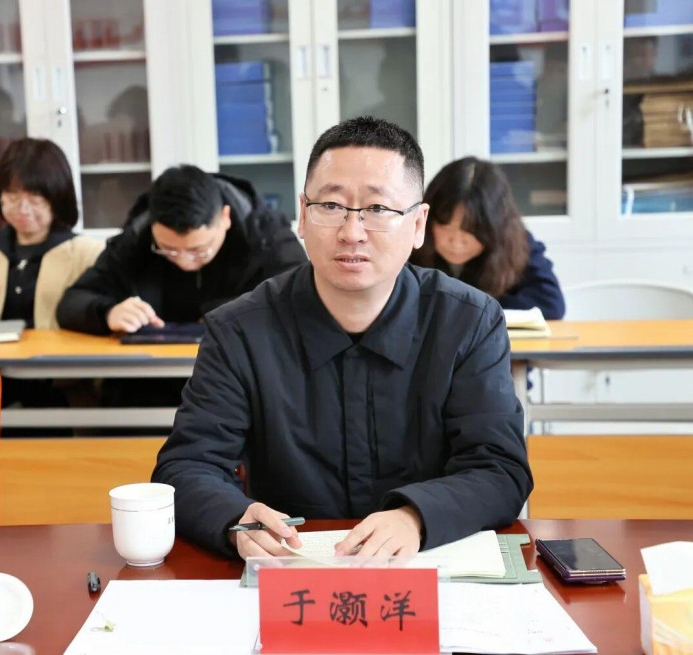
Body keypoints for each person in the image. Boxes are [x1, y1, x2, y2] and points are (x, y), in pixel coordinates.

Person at [152, 116, 533, 560]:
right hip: (288, 571)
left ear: (418, 224)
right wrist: (235, 519)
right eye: (331, 206)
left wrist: (415, 517)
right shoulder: (239, 331)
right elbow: (186, 466)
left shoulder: (468, 322)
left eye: (378, 209)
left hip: (428, 568)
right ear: (302, 215)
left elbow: (500, 468)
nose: (352, 232)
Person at [56, 164, 307, 335]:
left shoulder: (266, 236)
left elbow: (300, 300)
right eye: (168, 249)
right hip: (153, 376)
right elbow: (71, 303)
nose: (185, 262)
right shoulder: (136, 238)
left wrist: (225, 313)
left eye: (199, 250)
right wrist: (108, 313)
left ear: (225, 218)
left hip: (241, 373)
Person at [0, 137, 104, 409]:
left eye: (35, 199)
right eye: (13, 197)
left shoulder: (87, 252)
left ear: (57, 198)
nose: (23, 209)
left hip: (62, 385)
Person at [409, 156, 565, 320]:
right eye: (445, 226)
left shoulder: (515, 241)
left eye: (472, 230)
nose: (456, 242)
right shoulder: (407, 240)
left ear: (496, 226)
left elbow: (551, 303)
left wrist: (476, 308)